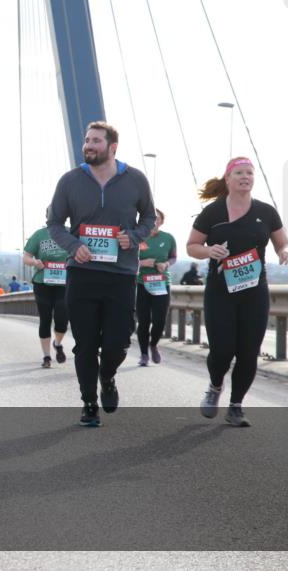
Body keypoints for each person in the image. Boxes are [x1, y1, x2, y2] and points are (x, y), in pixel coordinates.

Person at [47, 122, 156, 427]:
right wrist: (73, 245)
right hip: (82, 273)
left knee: (118, 342)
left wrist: (132, 237)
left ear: (113, 147)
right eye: (86, 141)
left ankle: (107, 376)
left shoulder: (135, 179)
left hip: (121, 275)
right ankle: (89, 403)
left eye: (96, 141)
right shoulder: (70, 181)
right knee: (84, 343)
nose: (89, 146)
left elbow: (149, 216)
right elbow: (54, 222)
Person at [188, 157, 288, 427]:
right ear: (228, 178)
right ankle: (214, 387)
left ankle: (236, 406)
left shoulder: (266, 212)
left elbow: (282, 241)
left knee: (248, 351)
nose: (245, 177)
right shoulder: (213, 213)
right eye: (239, 173)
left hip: (254, 292)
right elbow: (192, 245)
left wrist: (285, 251)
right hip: (220, 291)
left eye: (249, 172)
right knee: (222, 351)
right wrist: (208, 251)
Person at [23, 215, 70, 368]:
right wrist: (34, 262)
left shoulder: (71, 232)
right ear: (47, 217)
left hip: (63, 282)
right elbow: (26, 257)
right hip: (42, 282)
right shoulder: (39, 234)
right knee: (45, 319)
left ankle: (57, 343)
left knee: (62, 319)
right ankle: (46, 356)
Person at [135, 209, 177, 366]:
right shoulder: (138, 237)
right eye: (151, 218)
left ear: (161, 221)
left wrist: (166, 264)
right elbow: (129, 259)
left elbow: (173, 258)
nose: (154, 222)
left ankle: (153, 345)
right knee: (144, 321)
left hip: (162, 283)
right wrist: (142, 263)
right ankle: (144, 354)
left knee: (160, 320)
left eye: (157, 219)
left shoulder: (168, 238)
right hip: (142, 283)